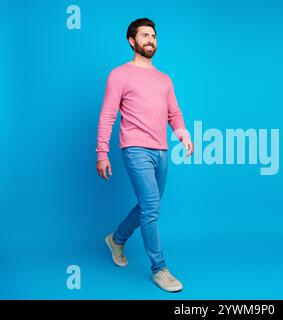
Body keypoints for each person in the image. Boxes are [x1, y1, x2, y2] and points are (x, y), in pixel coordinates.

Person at [95, 17, 194, 292]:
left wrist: (183, 132)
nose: (150, 39)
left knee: (148, 206)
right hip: (135, 148)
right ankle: (159, 269)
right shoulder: (119, 74)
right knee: (151, 207)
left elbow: (174, 113)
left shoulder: (164, 79)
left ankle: (116, 239)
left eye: (153, 36)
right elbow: (107, 115)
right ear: (132, 41)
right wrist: (102, 151)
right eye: (144, 35)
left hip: (161, 150)